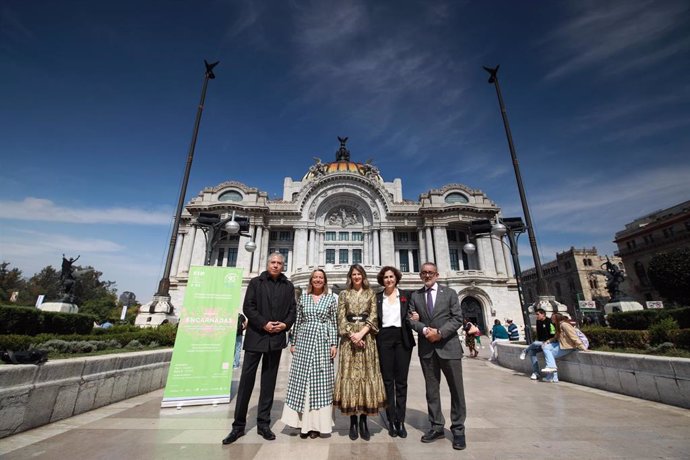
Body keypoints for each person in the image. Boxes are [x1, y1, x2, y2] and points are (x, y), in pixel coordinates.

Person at [222, 253, 297, 445]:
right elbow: (249, 307)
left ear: (283, 265)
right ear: (268, 263)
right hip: (257, 337)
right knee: (246, 381)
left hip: (276, 339)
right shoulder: (256, 282)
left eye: (279, 263)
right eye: (273, 262)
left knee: (269, 383)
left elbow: (292, 311)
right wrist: (263, 324)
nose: (276, 265)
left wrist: (285, 325)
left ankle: (264, 424)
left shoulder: (288, 286)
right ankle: (238, 426)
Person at [408, 262, 467, 451]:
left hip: (449, 347)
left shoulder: (449, 293)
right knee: (431, 390)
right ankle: (436, 426)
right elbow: (410, 319)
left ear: (437, 275)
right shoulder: (415, 295)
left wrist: (440, 333)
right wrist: (425, 329)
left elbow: (457, 318)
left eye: (430, 272)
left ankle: (458, 429)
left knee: (456, 389)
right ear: (420, 275)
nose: (427, 275)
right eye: (424, 273)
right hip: (427, 349)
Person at [281, 269, 338, 439]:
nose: (318, 280)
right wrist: (294, 342)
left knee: (320, 382)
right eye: (315, 278)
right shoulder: (303, 298)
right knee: (302, 380)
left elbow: (333, 322)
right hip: (304, 340)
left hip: (322, 341)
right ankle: (301, 423)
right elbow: (298, 321)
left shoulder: (330, 299)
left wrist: (334, 343)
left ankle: (316, 426)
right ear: (311, 281)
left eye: (321, 278)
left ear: (324, 281)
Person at [333, 264, 386, 441]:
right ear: (350, 277)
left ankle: (364, 419)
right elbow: (340, 317)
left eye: (359, 274)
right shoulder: (343, 294)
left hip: (367, 338)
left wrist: (361, 333)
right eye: (353, 274)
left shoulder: (371, 293)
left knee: (365, 375)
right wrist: (351, 335)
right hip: (349, 340)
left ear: (363, 276)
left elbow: (373, 315)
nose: (356, 277)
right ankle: (352, 421)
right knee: (350, 377)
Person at [375, 266, 415, 438]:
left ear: (396, 278)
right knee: (387, 381)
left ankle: (400, 420)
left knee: (402, 381)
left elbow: (414, 312)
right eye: (385, 277)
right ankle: (391, 420)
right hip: (384, 338)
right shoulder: (377, 297)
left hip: (402, 338)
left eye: (391, 277)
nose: (389, 280)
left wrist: (417, 317)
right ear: (382, 280)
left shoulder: (407, 295)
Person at [541, 313, 587, 383]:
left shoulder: (564, 325)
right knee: (546, 348)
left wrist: (582, 347)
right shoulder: (558, 325)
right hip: (562, 345)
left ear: (557, 318)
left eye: (553, 318)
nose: (551, 319)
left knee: (550, 357)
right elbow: (556, 337)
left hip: (568, 347)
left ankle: (552, 376)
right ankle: (553, 376)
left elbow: (573, 336)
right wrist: (548, 341)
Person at [519, 308, 556, 380]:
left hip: (549, 342)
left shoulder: (549, 321)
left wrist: (547, 341)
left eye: (538, 314)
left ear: (543, 314)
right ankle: (536, 373)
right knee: (532, 351)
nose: (537, 316)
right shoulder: (538, 322)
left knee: (535, 343)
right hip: (541, 343)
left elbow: (553, 334)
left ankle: (525, 351)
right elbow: (539, 334)